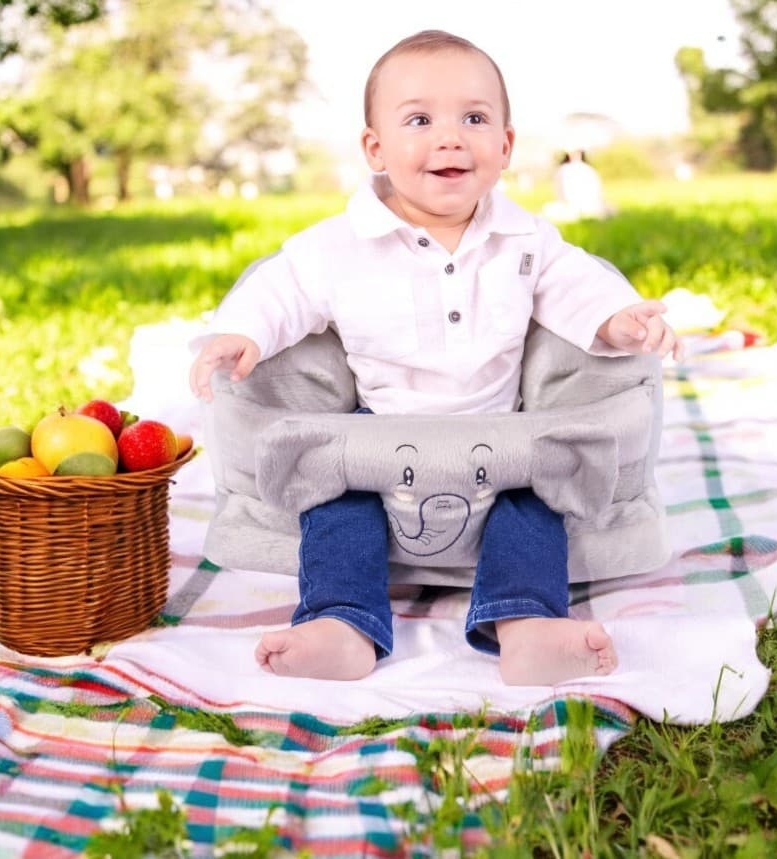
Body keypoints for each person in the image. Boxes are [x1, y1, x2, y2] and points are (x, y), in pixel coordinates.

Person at [189, 30, 680, 686]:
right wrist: (242, 334)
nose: (450, 137)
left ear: (504, 145)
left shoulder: (524, 237)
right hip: (379, 434)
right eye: (419, 120)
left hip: (501, 435)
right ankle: (340, 620)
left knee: (536, 503)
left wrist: (618, 320)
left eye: (473, 119)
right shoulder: (337, 244)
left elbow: (575, 283)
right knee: (333, 505)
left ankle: (526, 622)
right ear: (375, 148)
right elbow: (280, 290)